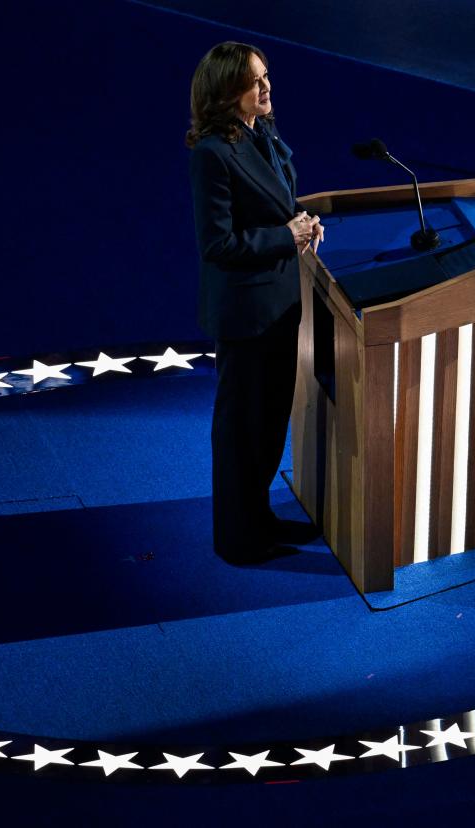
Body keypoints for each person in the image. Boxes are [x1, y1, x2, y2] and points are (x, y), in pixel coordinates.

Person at [186, 42, 324, 565]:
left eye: (267, 76)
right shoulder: (211, 154)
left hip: (281, 305)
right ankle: (237, 540)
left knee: (267, 426)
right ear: (228, 92)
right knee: (241, 431)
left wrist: (305, 222)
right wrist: (285, 236)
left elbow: (280, 204)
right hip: (246, 315)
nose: (267, 88)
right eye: (255, 82)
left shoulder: (261, 132)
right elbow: (217, 244)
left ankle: (259, 518)